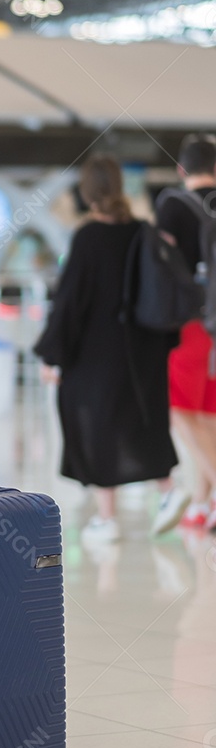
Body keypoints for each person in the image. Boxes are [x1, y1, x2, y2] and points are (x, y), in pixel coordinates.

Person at [34, 154, 188, 544]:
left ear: (87, 192)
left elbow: (70, 302)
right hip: (143, 348)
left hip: (96, 353)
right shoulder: (142, 230)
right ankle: (168, 492)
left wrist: (53, 355)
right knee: (143, 419)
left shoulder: (88, 237)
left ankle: (107, 518)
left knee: (95, 423)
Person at [155, 134, 216, 529]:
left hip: (190, 323)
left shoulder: (172, 204)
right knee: (209, 414)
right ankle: (201, 502)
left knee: (180, 410)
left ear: (181, 170)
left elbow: (161, 263)